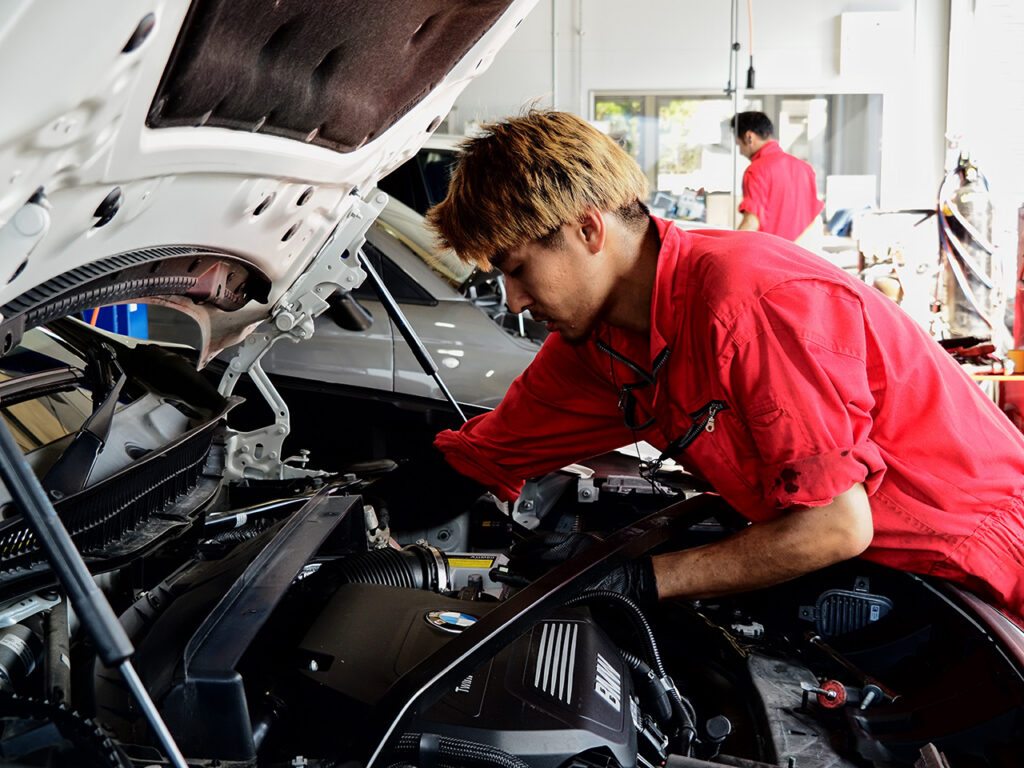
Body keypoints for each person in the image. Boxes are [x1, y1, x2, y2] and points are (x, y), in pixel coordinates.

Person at [379, 109, 1024, 623]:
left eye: (517, 270)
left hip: (987, 568)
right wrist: (360, 517)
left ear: (588, 230)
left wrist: (641, 578)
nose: (515, 301)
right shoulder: (598, 344)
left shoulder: (747, 306)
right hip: (889, 573)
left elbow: (835, 524)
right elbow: (486, 455)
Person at [731, 111, 824, 246]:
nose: (740, 150)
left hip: (768, 259)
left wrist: (729, 249)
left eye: (739, 144)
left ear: (749, 137)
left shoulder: (756, 170)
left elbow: (752, 221)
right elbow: (814, 222)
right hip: (801, 258)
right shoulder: (805, 168)